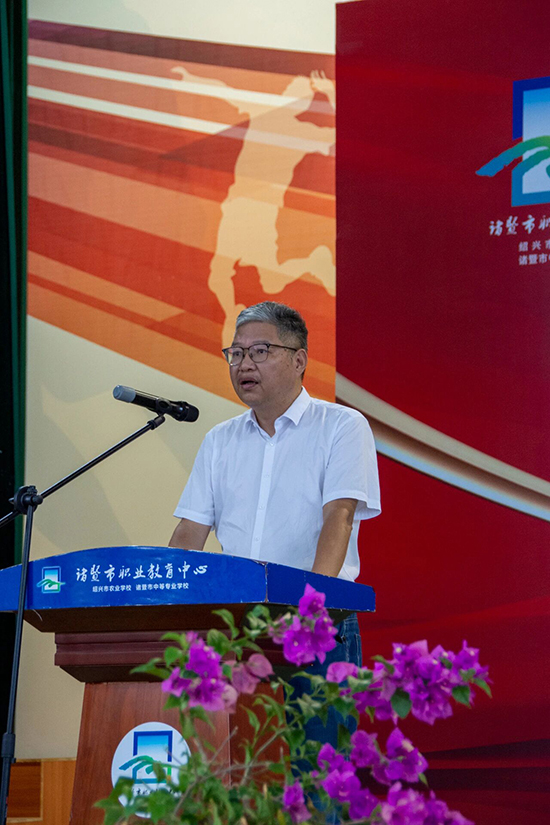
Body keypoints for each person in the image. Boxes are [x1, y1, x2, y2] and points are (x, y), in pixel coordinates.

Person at [169, 301, 381, 755]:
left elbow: (339, 517)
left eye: (260, 351)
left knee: (315, 771)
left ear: (299, 359)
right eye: (236, 353)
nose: (244, 364)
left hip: (318, 625)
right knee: (238, 770)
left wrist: (311, 612)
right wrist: (169, 611)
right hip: (237, 628)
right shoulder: (219, 440)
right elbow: (189, 532)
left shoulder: (341, 426)